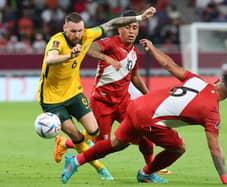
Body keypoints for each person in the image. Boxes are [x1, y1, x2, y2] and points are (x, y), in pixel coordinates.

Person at [60, 39, 227, 185]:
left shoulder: (197, 80)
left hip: (136, 105)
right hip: (149, 119)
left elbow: (169, 64)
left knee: (116, 144)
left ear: (217, 80)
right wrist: (224, 177)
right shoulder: (212, 113)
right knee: (178, 148)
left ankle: (75, 161)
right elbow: (214, 148)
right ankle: (146, 173)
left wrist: (153, 49)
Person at [37, 8, 156, 181]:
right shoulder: (57, 41)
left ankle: (65, 144)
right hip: (52, 99)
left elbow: (112, 23)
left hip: (74, 93)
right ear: (65, 28)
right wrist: (70, 55)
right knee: (79, 136)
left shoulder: (87, 35)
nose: (77, 35)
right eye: (73, 31)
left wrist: (141, 17)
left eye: (80, 30)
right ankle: (100, 170)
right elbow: (50, 59)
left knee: (94, 131)